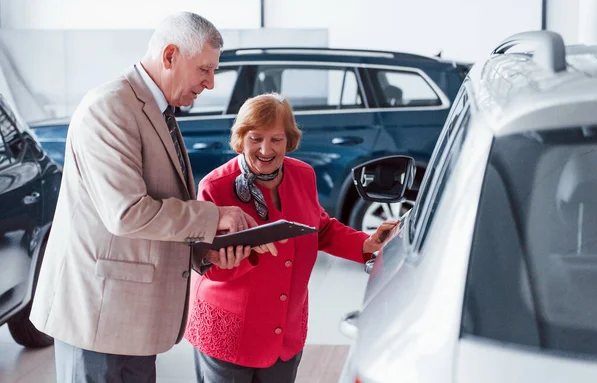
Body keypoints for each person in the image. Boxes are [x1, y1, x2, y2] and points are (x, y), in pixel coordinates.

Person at [30, 12, 275, 383]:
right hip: (99, 318)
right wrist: (212, 217)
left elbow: (157, 205)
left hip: (133, 323)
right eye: (205, 70)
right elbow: (126, 213)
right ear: (171, 55)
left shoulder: (158, 111)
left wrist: (204, 251)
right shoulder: (110, 107)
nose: (210, 84)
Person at [184, 93, 400, 382]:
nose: (265, 149)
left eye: (276, 139)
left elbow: (319, 227)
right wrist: (243, 254)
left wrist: (365, 243)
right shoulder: (215, 186)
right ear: (240, 138)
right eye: (255, 138)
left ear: (289, 139)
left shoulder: (303, 175)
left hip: (283, 331)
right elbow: (207, 266)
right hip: (231, 334)